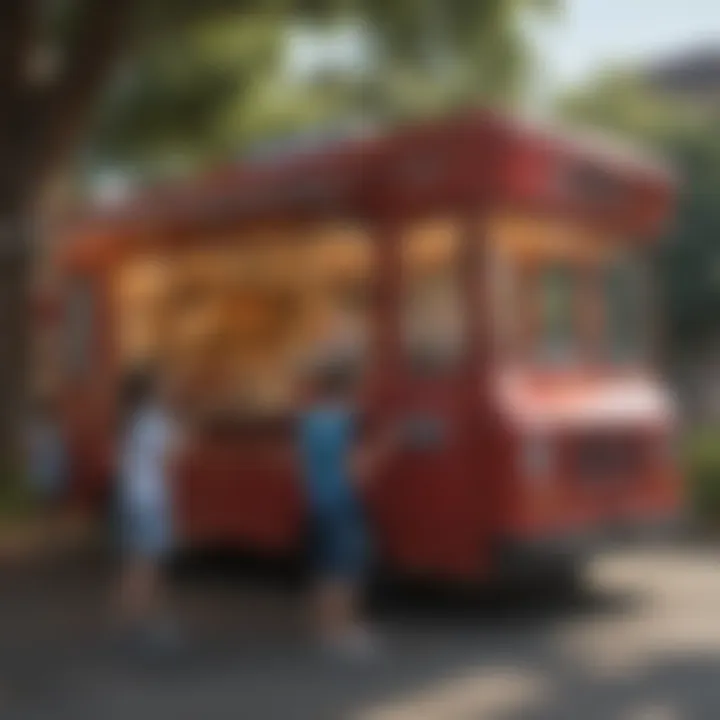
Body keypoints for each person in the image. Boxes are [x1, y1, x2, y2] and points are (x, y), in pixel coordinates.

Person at [298, 357, 398, 659]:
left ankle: (324, 628)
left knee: (325, 568)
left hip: (317, 499)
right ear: (348, 387)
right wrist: (388, 447)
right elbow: (358, 470)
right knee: (346, 569)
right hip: (343, 500)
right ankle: (342, 632)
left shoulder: (310, 420)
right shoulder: (348, 422)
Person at [115, 369, 183, 651]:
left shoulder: (134, 420)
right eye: (164, 383)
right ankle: (138, 624)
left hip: (132, 498)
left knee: (141, 562)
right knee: (146, 565)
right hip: (152, 500)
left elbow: (125, 461)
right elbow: (166, 462)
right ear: (154, 390)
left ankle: (142, 620)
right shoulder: (157, 422)